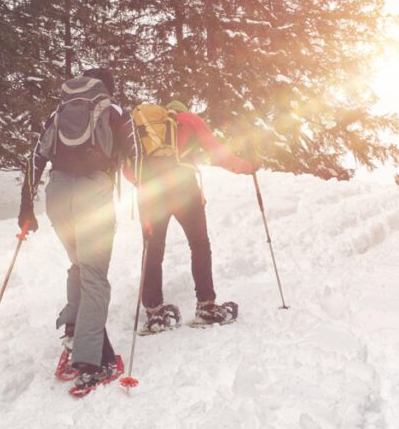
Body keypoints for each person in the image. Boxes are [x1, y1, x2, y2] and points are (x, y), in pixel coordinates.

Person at [19, 68, 134, 396]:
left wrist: (26, 207)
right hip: (93, 194)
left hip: (57, 195)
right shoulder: (114, 112)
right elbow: (136, 157)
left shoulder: (60, 112)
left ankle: (75, 336)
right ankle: (91, 361)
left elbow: (35, 158)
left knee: (80, 266)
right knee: (95, 275)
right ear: (108, 89)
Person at [129, 100, 255, 333]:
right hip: (184, 188)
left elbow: (128, 167)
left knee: (153, 249)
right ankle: (206, 307)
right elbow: (217, 154)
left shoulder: (142, 128)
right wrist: (246, 166)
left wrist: (143, 182)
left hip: (151, 193)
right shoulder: (189, 120)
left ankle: (154, 315)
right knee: (199, 244)